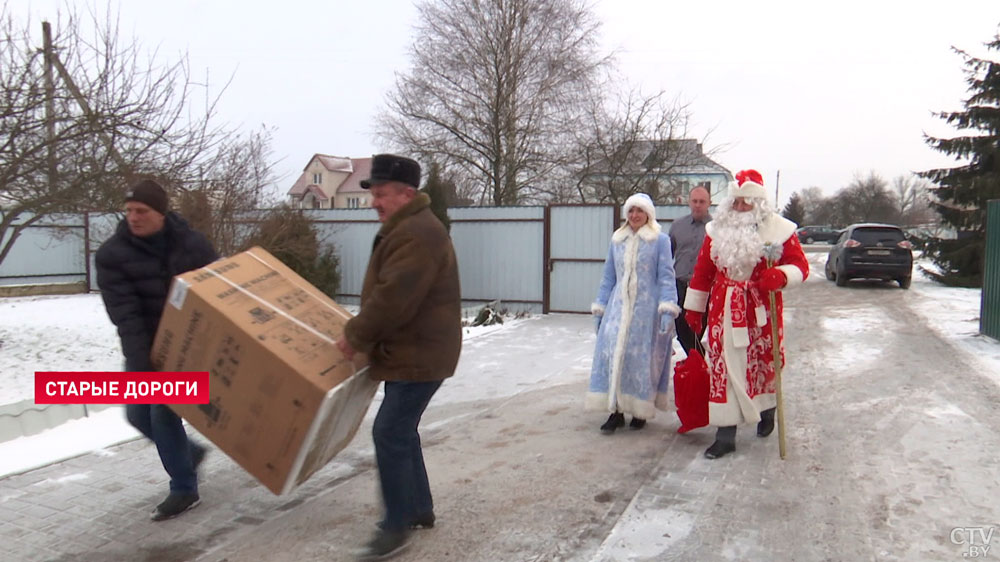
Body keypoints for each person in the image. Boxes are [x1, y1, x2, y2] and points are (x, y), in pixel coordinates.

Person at [336, 154, 462, 561]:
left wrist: (355, 336)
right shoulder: (408, 228)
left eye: (382, 194)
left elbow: (393, 298)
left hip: (419, 353)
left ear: (406, 194)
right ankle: (418, 508)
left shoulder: (417, 234)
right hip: (412, 349)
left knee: (389, 432)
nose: (375, 201)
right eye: (373, 193)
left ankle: (395, 527)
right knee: (401, 430)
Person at [95, 179, 217, 520]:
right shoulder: (112, 256)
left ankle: (184, 488)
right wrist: (143, 364)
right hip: (143, 345)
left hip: (190, 345)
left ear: (160, 213)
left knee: (162, 413)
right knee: (136, 414)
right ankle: (189, 455)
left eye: (142, 211)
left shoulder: (191, 244)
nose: (134, 217)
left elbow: (219, 283)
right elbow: (125, 315)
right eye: (129, 211)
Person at [681, 170, 809, 459]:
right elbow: (703, 272)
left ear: (759, 204)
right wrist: (694, 308)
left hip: (760, 310)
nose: (739, 208)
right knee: (723, 367)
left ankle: (767, 409)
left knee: (762, 364)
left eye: (746, 202)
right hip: (723, 310)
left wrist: (781, 275)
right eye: (736, 202)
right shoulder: (717, 231)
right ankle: (725, 435)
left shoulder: (780, 230)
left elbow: (800, 265)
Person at [588, 193, 680, 433]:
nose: (635, 215)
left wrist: (667, 308)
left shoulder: (660, 240)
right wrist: (600, 307)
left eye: (639, 211)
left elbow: (666, 277)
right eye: (631, 211)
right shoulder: (617, 240)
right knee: (613, 355)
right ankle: (615, 411)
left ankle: (640, 409)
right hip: (618, 309)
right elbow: (609, 276)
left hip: (645, 311)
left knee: (640, 360)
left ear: (648, 213)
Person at [668, 185, 712, 354]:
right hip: (680, 285)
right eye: (694, 201)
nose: (698, 205)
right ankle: (700, 362)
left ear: (709, 203)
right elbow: (668, 255)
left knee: (697, 331)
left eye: (702, 201)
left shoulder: (715, 228)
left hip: (704, 289)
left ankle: (696, 366)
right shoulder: (677, 226)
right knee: (682, 329)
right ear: (689, 202)